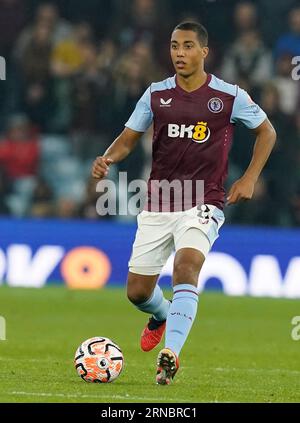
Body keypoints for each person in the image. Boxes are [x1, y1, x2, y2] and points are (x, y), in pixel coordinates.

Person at [92, 21, 276, 385]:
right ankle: (160, 316)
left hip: (203, 202)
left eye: (188, 46)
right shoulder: (156, 94)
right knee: (138, 292)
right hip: (159, 203)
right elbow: (129, 138)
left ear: (204, 52)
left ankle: (171, 353)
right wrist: (108, 157)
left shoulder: (228, 96)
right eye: (175, 46)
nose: (180, 53)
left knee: (186, 266)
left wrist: (250, 177)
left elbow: (266, 131)